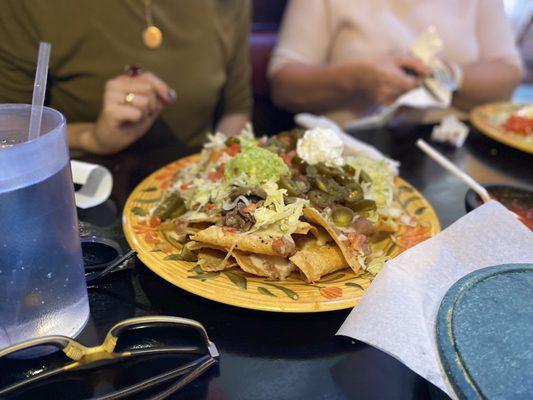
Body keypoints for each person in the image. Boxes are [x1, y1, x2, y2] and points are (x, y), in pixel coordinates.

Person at [0, 0, 251, 154]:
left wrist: (215, 168)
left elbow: (236, 109)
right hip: (85, 192)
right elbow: (9, 136)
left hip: (193, 184)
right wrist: (92, 138)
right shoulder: (27, 7)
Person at [269, 0, 524, 124]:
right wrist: (355, 78)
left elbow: (508, 73)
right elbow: (283, 83)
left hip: (455, 147)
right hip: (345, 146)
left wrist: (445, 76)